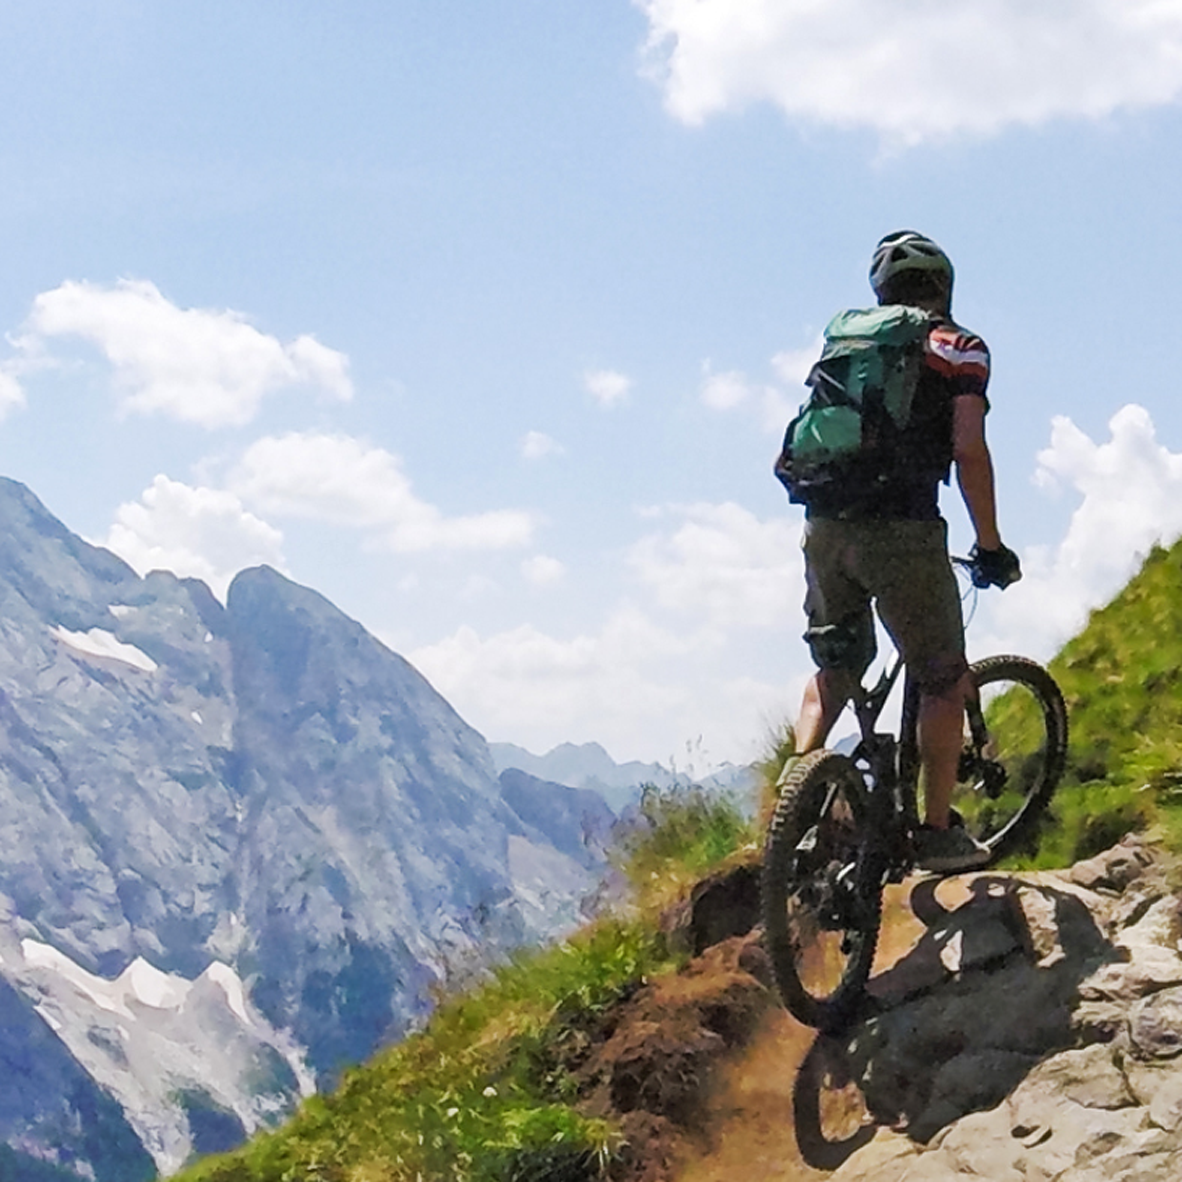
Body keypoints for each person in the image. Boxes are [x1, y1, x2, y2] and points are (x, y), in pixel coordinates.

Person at [785, 229, 1021, 871]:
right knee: (943, 677)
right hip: (904, 530)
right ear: (943, 288)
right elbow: (969, 450)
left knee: (835, 669)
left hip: (824, 523)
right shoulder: (959, 347)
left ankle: (790, 813)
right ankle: (937, 833)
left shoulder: (849, 344)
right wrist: (990, 544)